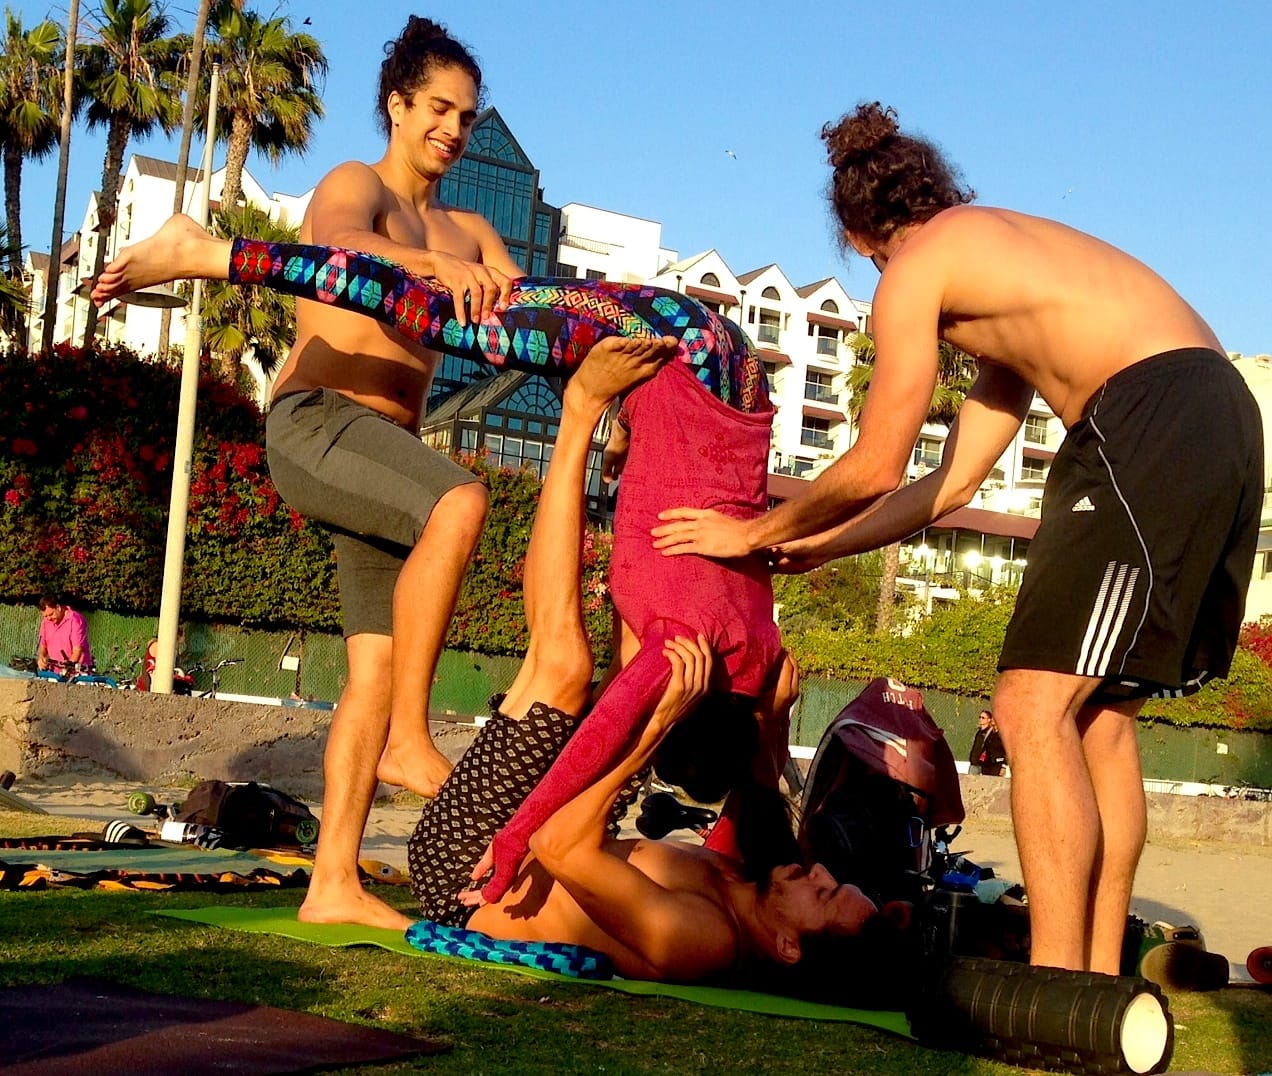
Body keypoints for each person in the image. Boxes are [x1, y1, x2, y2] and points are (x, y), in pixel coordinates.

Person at [650, 101, 1263, 976]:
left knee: (1028, 707)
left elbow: (872, 461)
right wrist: (827, 546)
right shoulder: (1000, 263)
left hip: (1150, 414)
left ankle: (1054, 987)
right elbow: (955, 482)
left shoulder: (916, 268)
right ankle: (1090, 977)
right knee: (1099, 718)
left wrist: (754, 533)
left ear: (863, 237)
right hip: (1221, 412)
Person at [94, 213, 782, 909]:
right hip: (682, 358)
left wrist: (763, 735)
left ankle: (368, 822)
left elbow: (770, 692)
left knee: (569, 662)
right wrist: (516, 842)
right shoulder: (669, 666)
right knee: (437, 315)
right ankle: (208, 253)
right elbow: (600, 748)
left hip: (730, 381)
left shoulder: (754, 656)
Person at [409, 343, 880, 980]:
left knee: (564, 666)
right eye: (833, 877)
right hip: (545, 837)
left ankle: (578, 411)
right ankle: (632, 435)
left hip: (465, 868)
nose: (820, 871)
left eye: (823, 894)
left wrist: (653, 728)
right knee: (647, 641)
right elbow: (756, 788)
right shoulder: (748, 880)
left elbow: (556, 844)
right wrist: (772, 720)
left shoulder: (705, 940)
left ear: (790, 946)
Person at [36, 595, 93, 674]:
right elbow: (43, 646)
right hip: (55, 672)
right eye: (45, 616)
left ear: (58, 607)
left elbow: (77, 650)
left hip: (78, 673)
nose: (49, 618)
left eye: (51, 614)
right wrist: (41, 658)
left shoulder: (75, 620)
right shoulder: (46, 622)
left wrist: (68, 670)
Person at [968, 709, 1006, 777]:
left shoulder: (997, 734)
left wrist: (1003, 766)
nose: (980, 719)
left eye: (983, 718)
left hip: (993, 764)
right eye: (980, 717)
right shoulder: (980, 733)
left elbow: (1002, 751)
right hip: (980, 763)